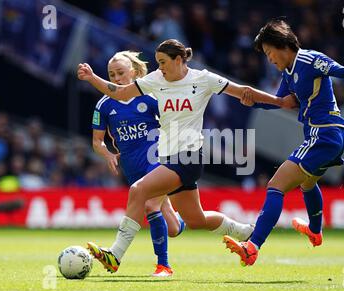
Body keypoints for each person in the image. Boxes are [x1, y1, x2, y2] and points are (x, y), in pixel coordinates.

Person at [78, 39, 297, 273]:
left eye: (163, 62)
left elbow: (243, 91)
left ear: (179, 60)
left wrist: (279, 101)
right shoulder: (156, 80)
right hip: (169, 157)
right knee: (196, 220)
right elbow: (121, 94)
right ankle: (247, 231)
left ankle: (116, 255)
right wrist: (92, 78)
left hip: (189, 156)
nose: (159, 67)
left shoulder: (202, 79)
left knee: (139, 191)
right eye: (158, 62)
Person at [223, 19, 344, 266]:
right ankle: (315, 231)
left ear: (282, 45)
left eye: (269, 53)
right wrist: (253, 101)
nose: (269, 59)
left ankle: (252, 246)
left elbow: (342, 70)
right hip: (329, 135)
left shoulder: (310, 60)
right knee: (307, 182)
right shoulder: (288, 72)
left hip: (324, 134)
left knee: (276, 185)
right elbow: (283, 102)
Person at [88, 50, 185, 277]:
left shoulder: (150, 97)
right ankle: (185, 221)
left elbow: (173, 122)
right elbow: (96, 141)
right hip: (132, 167)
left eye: (120, 73)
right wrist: (108, 154)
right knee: (171, 227)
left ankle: (164, 266)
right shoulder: (104, 105)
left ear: (133, 72)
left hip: (158, 159)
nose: (116, 78)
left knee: (150, 205)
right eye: (112, 75)